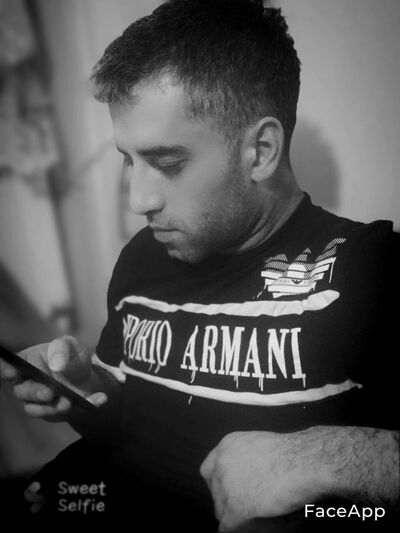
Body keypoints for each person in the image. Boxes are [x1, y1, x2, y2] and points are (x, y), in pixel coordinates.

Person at [1, 0, 399, 530]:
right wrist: (87, 391)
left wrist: (331, 460)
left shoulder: (373, 270)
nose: (138, 200)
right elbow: (123, 423)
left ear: (260, 150)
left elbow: (368, 511)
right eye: (128, 160)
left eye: (167, 163)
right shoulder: (143, 257)